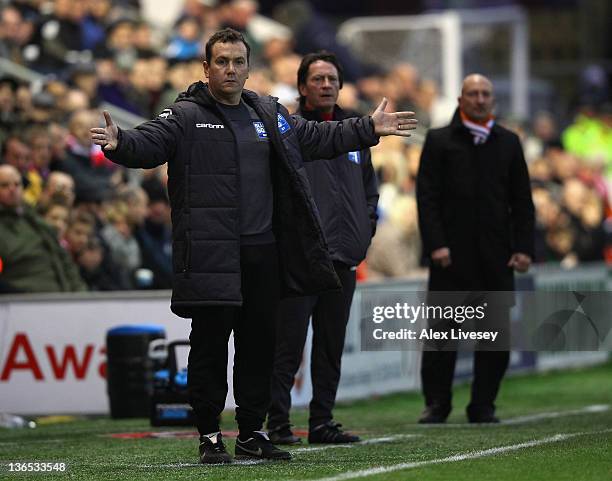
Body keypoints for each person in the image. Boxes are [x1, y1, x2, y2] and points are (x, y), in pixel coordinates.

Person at [90, 28, 416, 464]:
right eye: (221, 61)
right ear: (206, 68)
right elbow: (149, 142)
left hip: (264, 253)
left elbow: (317, 138)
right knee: (208, 347)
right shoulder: (186, 115)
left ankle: (250, 433)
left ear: (248, 67)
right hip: (211, 254)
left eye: (237, 61)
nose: (230, 69)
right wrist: (119, 144)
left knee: (259, 347)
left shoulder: (269, 113)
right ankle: (209, 436)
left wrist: (367, 128)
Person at [267, 52, 379, 445]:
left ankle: (321, 422)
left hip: (343, 257)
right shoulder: (287, 130)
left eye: (331, 78)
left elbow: (369, 189)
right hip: (299, 256)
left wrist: (366, 227)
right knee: (288, 345)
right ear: (302, 87)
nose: (326, 85)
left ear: (341, 85)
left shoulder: (355, 132)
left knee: (330, 346)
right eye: (317, 79)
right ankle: (277, 423)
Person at [416, 74, 534, 423]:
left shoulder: (509, 142)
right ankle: (437, 404)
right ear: (460, 99)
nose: (480, 99)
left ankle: (483, 405)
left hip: (497, 256)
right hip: (450, 256)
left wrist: (524, 247)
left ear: (492, 100)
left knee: (494, 338)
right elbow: (427, 198)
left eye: (486, 94)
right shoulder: (439, 141)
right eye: (473, 94)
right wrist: (436, 244)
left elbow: (522, 202)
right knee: (441, 338)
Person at [0, 164, 86, 294]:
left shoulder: (34, 219)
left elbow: (65, 261)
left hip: (61, 298)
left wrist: (82, 296)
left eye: (17, 184)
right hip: (23, 301)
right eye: (5, 185)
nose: (12, 189)